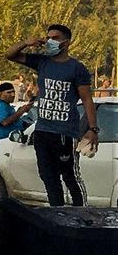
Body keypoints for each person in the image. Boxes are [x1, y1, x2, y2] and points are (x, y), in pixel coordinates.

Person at [6, 23, 99, 207]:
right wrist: (26, 43)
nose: (50, 41)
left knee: (70, 176)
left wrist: (93, 129)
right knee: (48, 176)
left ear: (66, 42)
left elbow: (87, 100)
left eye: (55, 38)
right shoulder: (42, 62)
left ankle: (82, 214)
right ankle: (57, 212)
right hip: (43, 131)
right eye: (48, 38)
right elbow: (10, 55)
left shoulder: (77, 68)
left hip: (64, 133)